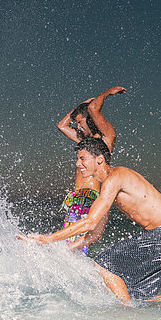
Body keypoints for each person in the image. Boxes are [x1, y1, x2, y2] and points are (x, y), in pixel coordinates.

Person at [22, 137, 161, 303]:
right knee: (137, 293)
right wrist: (69, 248)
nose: (77, 164)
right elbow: (96, 233)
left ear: (100, 159)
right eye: (77, 159)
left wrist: (47, 239)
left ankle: (125, 317)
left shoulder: (115, 177)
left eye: (82, 159)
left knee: (104, 265)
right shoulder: (109, 189)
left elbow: (90, 222)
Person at [55, 86, 126, 254]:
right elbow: (62, 125)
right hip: (78, 197)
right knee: (75, 243)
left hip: (89, 196)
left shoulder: (104, 139)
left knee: (74, 243)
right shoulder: (85, 143)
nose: (78, 126)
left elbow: (94, 109)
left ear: (91, 120)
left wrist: (107, 93)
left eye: (80, 122)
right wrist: (81, 105)